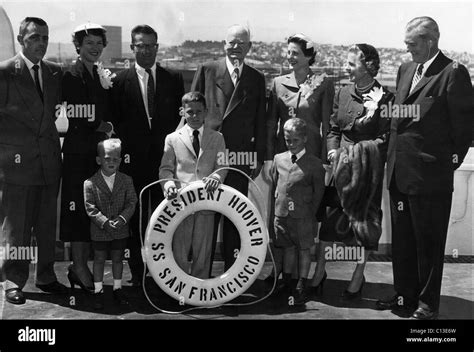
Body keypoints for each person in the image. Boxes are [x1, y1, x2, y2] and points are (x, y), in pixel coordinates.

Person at [378, 17, 473, 320]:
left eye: (412, 44)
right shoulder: (406, 69)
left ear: (430, 41)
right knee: (403, 240)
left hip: (430, 177)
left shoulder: (453, 73)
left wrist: (445, 163)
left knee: (429, 244)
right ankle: (404, 295)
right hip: (399, 172)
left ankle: (427, 304)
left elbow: (464, 129)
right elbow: (398, 119)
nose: (407, 50)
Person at [310, 44, 393, 298]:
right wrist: (334, 151)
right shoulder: (343, 93)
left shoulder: (386, 98)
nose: (346, 68)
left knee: (365, 225)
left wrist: (357, 155)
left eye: (351, 64)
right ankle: (319, 272)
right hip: (340, 170)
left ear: (368, 66)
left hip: (367, 172)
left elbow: (385, 138)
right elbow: (334, 129)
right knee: (329, 223)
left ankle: (359, 274)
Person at [0, 17, 67, 305]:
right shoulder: (5, 72)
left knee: (45, 224)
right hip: (16, 165)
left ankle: (46, 276)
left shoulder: (54, 72)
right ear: (20, 39)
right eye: (34, 37)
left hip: (49, 162)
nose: (40, 43)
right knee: (16, 227)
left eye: (45, 37)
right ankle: (12, 281)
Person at [111, 25, 184, 286]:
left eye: (150, 45)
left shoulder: (173, 79)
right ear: (132, 48)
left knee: (167, 217)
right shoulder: (119, 82)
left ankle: (164, 270)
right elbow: (116, 124)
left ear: (157, 47)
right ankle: (138, 271)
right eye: (140, 45)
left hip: (165, 163)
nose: (145, 50)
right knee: (137, 217)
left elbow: (180, 120)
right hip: (133, 164)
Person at [190, 24, 266, 273]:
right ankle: (202, 274)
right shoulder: (208, 69)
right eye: (231, 43)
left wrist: (258, 157)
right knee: (206, 215)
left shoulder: (256, 78)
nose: (236, 48)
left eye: (241, 44)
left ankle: (232, 277)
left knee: (235, 216)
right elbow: (191, 110)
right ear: (223, 44)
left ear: (249, 47)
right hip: (208, 153)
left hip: (239, 156)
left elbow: (260, 122)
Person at [265, 33, 334, 286]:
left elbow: (328, 125)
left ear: (308, 56)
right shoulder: (278, 82)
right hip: (283, 161)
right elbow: (272, 122)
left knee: (305, 216)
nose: (289, 57)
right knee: (280, 215)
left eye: (295, 53)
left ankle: (301, 275)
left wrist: (326, 159)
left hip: (311, 159)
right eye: (288, 52)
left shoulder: (323, 83)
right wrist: (269, 158)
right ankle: (281, 272)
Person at [60, 23, 113, 293]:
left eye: (98, 43)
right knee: (78, 211)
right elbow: (78, 114)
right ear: (78, 46)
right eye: (88, 42)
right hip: (78, 154)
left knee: (94, 209)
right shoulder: (71, 73)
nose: (94, 47)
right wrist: (101, 126)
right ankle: (79, 267)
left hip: (96, 153)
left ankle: (81, 267)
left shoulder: (98, 73)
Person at [159, 92, 227, 279]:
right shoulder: (172, 138)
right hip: (181, 204)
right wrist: (169, 186)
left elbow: (222, 166)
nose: (195, 116)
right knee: (179, 249)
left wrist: (217, 178)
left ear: (206, 112)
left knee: (203, 251)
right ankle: (180, 289)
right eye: (190, 112)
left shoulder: (217, 138)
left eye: (199, 112)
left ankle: (200, 288)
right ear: (182, 112)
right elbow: (165, 170)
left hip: (206, 204)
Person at [271, 118, 325, 304]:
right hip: (282, 214)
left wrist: (310, 214)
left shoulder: (315, 164)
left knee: (303, 249)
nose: (291, 144)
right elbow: (274, 187)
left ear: (305, 139)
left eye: (296, 140)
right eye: (288, 140)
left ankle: (301, 284)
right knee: (287, 248)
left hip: (303, 217)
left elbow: (319, 193)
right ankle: (286, 282)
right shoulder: (279, 159)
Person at [83, 139, 137, 310]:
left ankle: (117, 288)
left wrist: (122, 219)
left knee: (118, 259)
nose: (111, 162)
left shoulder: (127, 180)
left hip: (120, 229)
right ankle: (98, 290)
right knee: (99, 259)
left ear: (120, 160)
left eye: (115, 159)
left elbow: (132, 202)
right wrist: (104, 222)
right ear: (99, 160)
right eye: (107, 158)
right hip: (100, 230)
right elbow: (90, 207)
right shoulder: (89, 183)